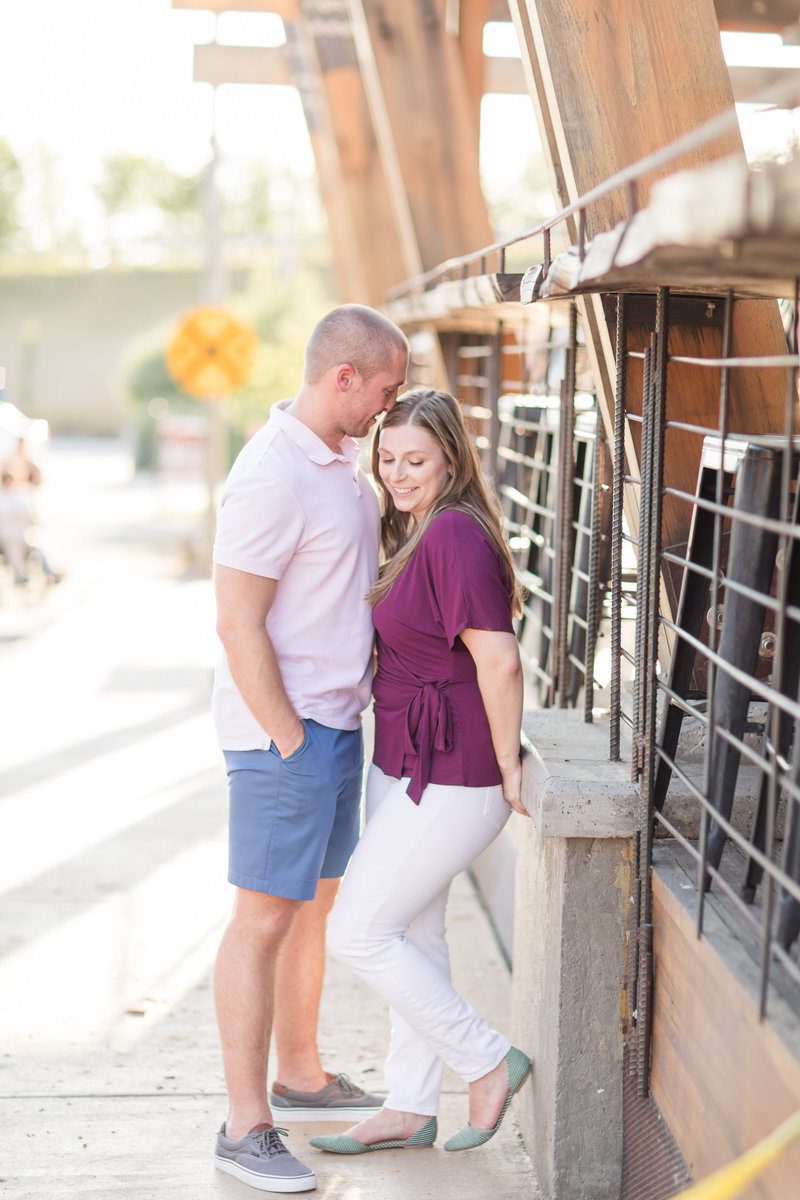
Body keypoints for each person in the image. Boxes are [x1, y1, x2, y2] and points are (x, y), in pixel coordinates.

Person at [211, 304, 409, 1192]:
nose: (389, 405)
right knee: (260, 920)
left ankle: (300, 1074)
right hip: (283, 737)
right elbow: (236, 620)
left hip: (336, 726)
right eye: (386, 388)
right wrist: (289, 738)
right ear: (343, 379)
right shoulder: (271, 473)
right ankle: (245, 1125)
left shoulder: (340, 468)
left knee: (309, 909)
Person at [309, 387, 531, 1160]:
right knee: (413, 934)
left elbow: (499, 660)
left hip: (457, 773)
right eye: (388, 458)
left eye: (417, 461)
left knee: (360, 932)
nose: (398, 474)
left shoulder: (454, 538)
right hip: (406, 762)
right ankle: (408, 1105)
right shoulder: (417, 528)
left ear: (451, 460)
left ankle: (487, 1059)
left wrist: (507, 766)